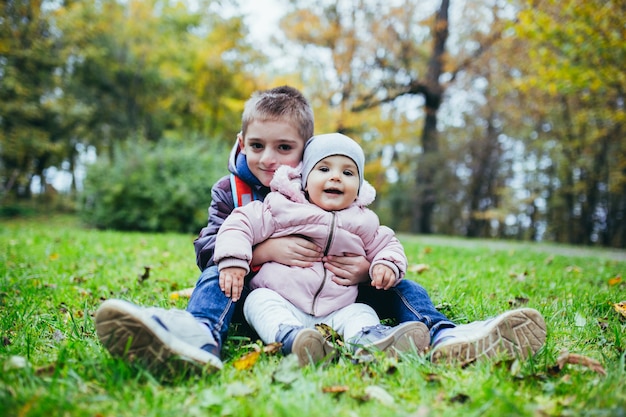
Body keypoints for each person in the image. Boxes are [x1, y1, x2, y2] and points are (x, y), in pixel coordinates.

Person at [95, 85, 547, 374]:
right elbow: (209, 245)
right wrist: (265, 251)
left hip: (335, 295)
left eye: (284, 148)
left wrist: (370, 267)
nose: (268, 158)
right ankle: (198, 336)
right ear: (241, 144)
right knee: (217, 272)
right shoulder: (231, 190)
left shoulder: (335, 198)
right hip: (257, 293)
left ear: (306, 154)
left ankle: (444, 335)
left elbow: (380, 240)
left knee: (398, 283)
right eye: (256, 146)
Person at [215, 133, 429, 366]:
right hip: (282, 298)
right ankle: (289, 337)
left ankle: (370, 341)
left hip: (337, 308)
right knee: (259, 301)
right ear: (305, 178)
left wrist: (385, 264)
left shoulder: (364, 221)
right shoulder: (281, 206)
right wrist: (234, 260)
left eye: (348, 173)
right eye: (324, 169)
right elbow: (240, 223)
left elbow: (388, 244)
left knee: (360, 312)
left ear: (359, 187)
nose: (336, 177)